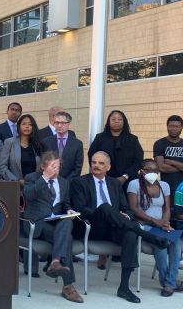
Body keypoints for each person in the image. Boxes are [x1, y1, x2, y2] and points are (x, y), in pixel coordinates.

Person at [71, 151, 171, 303]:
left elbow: (126, 208)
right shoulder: (79, 182)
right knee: (105, 208)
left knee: (130, 235)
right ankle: (148, 236)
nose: (96, 165)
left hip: (114, 227)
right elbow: (81, 208)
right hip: (91, 226)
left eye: (101, 163)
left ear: (108, 167)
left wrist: (125, 216)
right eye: (94, 162)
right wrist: (107, 212)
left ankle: (124, 288)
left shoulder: (114, 183)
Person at [22, 151, 83, 303]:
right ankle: (67, 286)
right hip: (37, 224)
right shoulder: (32, 178)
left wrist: (69, 211)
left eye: (58, 166)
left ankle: (55, 262)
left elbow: (66, 204)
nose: (56, 170)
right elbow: (29, 195)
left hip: (56, 223)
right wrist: (45, 178)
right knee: (67, 238)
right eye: (53, 166)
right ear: (43, 166)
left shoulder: (64, 182)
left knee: (68, 222)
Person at [127, 159, 183, 297]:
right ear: (141, 171)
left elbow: (167, 208)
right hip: (143, 226)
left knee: (177, 242)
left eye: (155, 170)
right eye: (148, 169)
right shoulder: (134, 184)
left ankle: (169, 283)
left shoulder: (164, 185)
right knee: (161, 244)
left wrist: (164, 222)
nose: (152, 173)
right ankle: (169, 283)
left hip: (161, 225)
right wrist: (154, 221)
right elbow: (134, 209)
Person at [88, 110, 143, 193]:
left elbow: (138, 160)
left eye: (120, 119)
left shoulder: (132, 139)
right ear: (108, 121)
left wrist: (125, 177)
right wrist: (102, 174)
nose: (116, 121)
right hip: (103, 179)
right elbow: (91, 155)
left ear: (124, 122)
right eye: (113, 119)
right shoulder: (100, 138)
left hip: (127, 180)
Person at [0, 114, 44, 185]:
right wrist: (16, 181)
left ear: (33, 127)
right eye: (24, 124)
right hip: (14, 185)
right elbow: (2, 166)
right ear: (19, 126)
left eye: (30, 124)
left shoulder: (38, 144)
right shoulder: (9, 142)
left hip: (34, 186)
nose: (27, 126)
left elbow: (42, 167)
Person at [42, 111, 83, 182]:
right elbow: (43, 163)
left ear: (69, 124)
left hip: (69, 183)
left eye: (63, 123)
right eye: (57, 122)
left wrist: (65, 182)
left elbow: (77, 168)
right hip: (50, 181)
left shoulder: (77, 144)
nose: (59, 125)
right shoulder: (46, 142)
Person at [153, 115, 183, 208]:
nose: (174, 129)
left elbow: (165, 165)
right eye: (171, 126)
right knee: (168, 211)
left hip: (182, 187)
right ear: (167, 126)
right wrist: (181, 167)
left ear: (181, 128)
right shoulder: (159, 143)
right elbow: (161, 167)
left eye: (177, 126)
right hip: (166, 186)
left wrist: (171, 162)